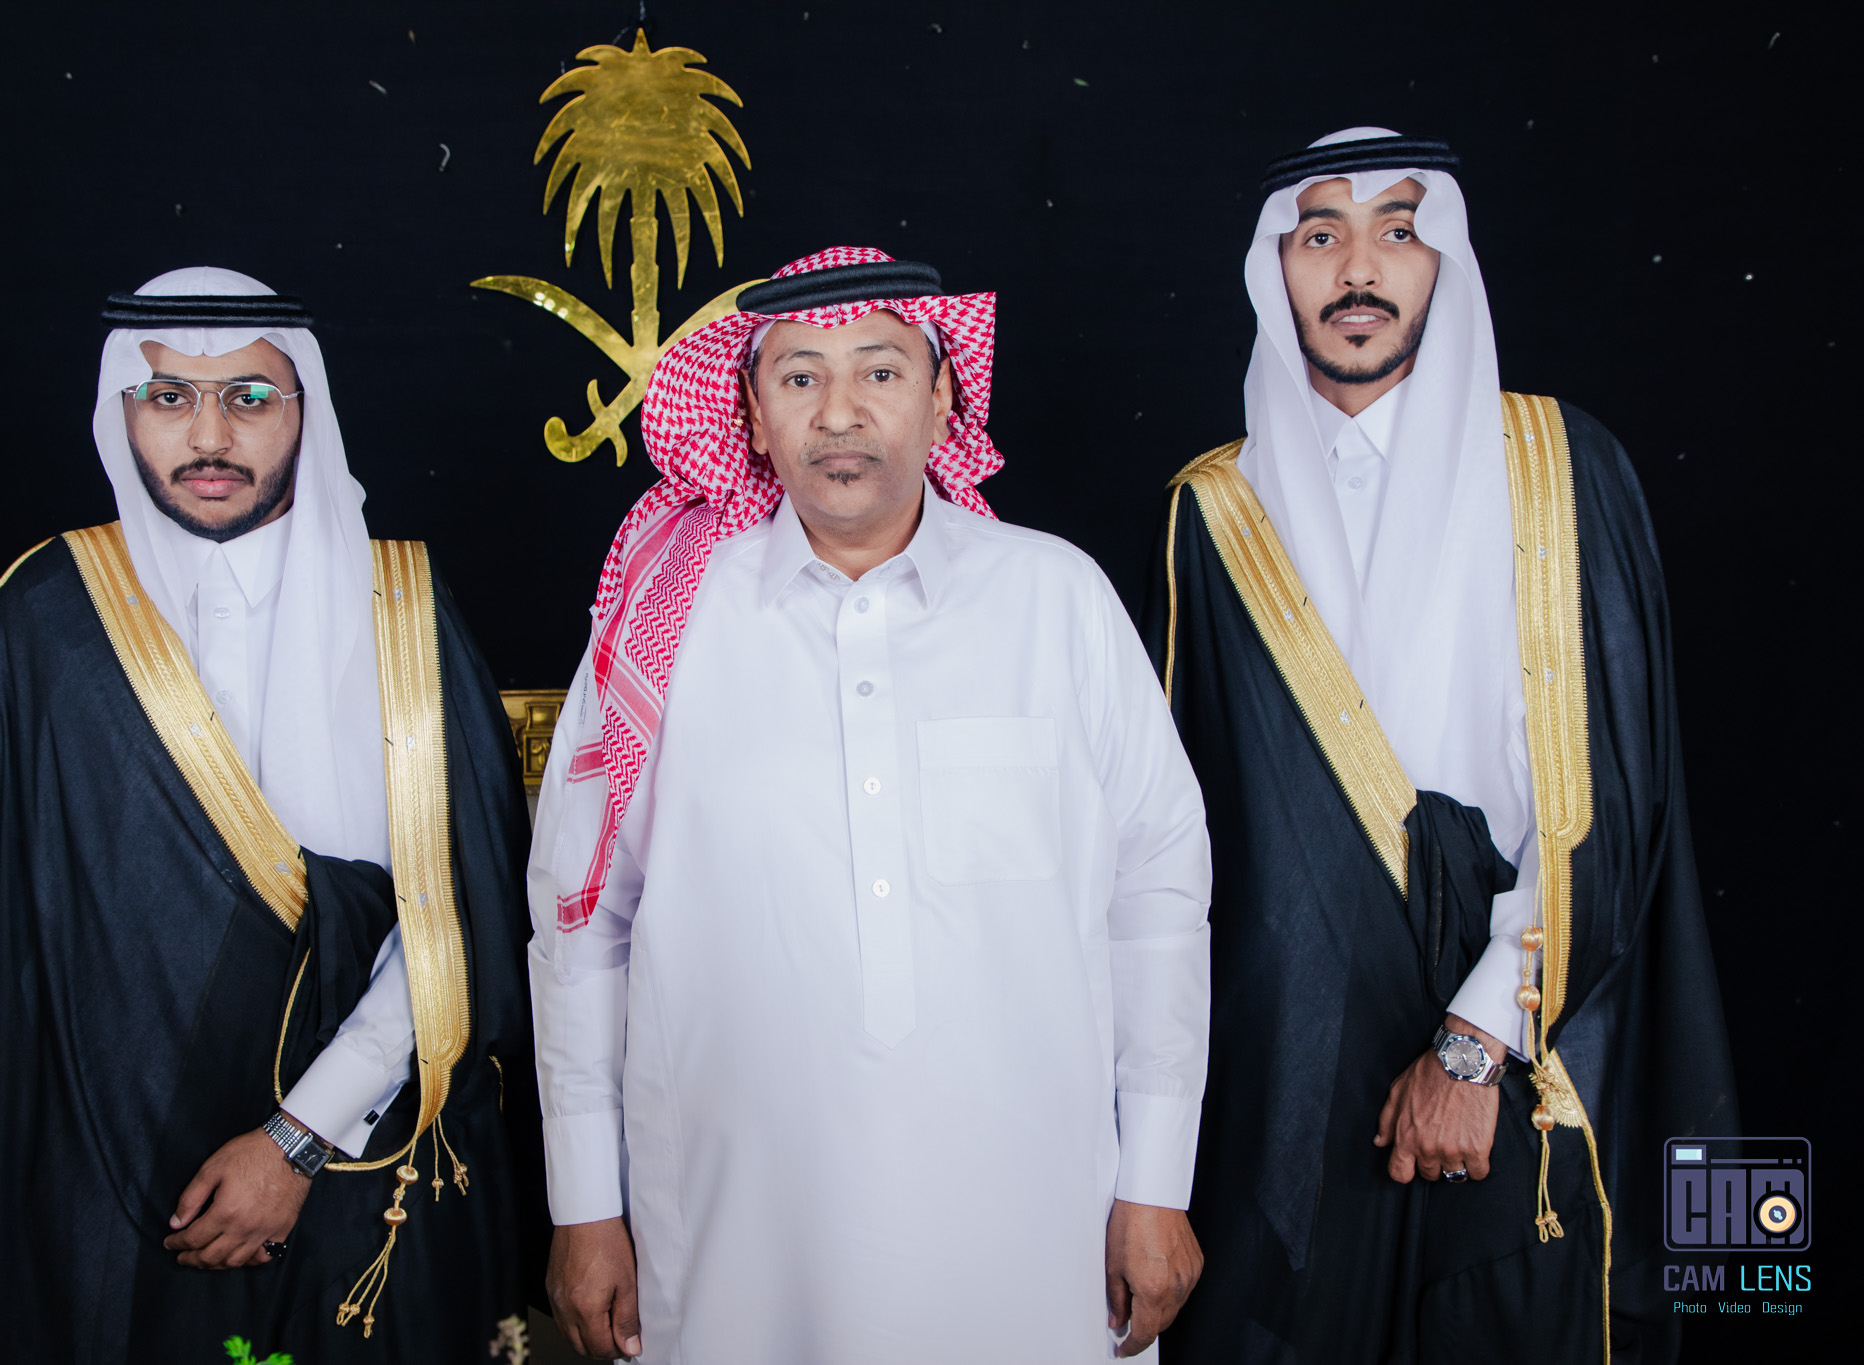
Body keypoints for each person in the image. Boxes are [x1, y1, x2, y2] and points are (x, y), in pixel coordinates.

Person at [527, 247, 1212, 1362]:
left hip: (1032, 1218)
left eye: (880, 371)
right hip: (737, 1226)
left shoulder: (1056, 600)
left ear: (943, 400)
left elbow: (1158, 901)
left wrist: (1157, 1179)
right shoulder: (663, 626)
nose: (838, 412)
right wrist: (584, 1204)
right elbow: (581, 928)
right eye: (799, 376)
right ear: (752, 416)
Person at [0, 268, 548, 1363]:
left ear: (305, 410)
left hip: (355, 1166)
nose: (210, 436)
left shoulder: (402, 606)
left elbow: (459, 915)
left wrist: (297, 1138)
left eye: (250, 398)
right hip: (90, 1169)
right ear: (121, 411)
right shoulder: (47, 612)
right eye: (169, 397)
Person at [1144, 131, 1736, 1362]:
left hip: (1521, 1042)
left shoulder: (1558, 465)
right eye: (1319, 235)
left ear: (1443, 262)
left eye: (1398, 231)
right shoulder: (1213, 510)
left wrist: (1471, 1048)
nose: (1357, 267)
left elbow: (1612, 791)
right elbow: (1186, 835)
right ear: (1274, 266)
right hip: (1293, 1079)